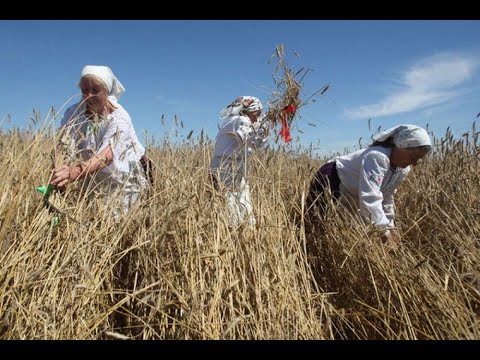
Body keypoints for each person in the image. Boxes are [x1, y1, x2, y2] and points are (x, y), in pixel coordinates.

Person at [306, 124, 432, 246]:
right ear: (400, 146)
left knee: (340, 226)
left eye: (418, 159)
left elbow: (387, 197)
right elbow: (370, 197)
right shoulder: (377, 157)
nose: (414, 163)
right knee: (316, 222)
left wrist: (390, 227)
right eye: (413, 157)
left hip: (351, 189)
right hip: (331, 178)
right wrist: (383, 231)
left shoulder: (403, 169)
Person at [51, 65, 147, 218]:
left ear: (107, 91)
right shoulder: (74, 113)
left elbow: (107, 155)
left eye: (95, 90)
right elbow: (62, 144)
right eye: (84, 91)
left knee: (117, 225)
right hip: (90, 180)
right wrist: (59, 172)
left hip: (122, 183)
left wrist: (73, 172)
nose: (88, 95)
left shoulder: (120, 118)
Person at [210, 96, 272, 228]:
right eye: (257, 115)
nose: (257, 119)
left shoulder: (232, 120)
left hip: (231, 167)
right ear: (250, 112)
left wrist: (267, 126)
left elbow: (254, 143)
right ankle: (235, 234)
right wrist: (266, 126)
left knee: (240, 203)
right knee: (232, 205)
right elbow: (250, 140)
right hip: (226, 168)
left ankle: (244, 232)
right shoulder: (240, 120)